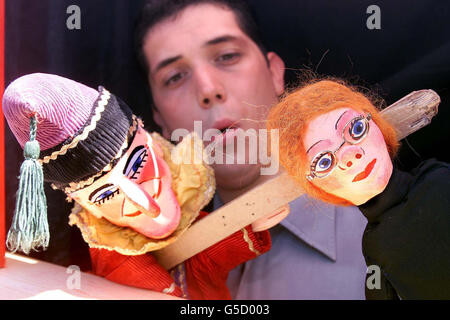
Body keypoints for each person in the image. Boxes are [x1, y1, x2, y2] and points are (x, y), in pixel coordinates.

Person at [134, 0, 368, 299]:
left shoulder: (396, 226)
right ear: (159, 120)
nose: (208, 89)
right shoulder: (152, 273)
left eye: (227, 56)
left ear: (274, 72)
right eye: (175, 77)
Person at [2, 72, 271, 300]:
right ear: (84, 205)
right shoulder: (114, 255)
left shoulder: (185, 186)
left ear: (150, 141)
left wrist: (245, 221)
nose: (142, 201)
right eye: (106, 194)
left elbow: (202, 258)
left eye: (138, 163)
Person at [267, 79, 450, 299]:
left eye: (356, 129)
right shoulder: (375, 250)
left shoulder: (437, 177)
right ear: (315, 185)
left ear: (376, 124)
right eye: (324, 161)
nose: (350, 156)